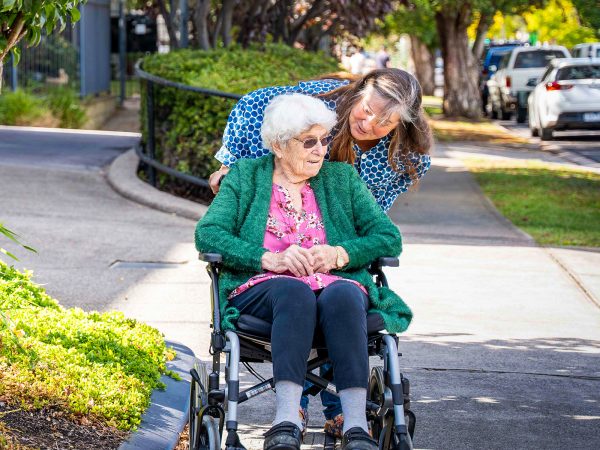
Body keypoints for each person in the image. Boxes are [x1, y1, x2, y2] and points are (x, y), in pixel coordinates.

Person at [208, 68, 432, 438]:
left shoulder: (354, 174)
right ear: (279, 145)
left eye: (386, 120)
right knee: (296, 293)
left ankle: (353, 421)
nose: (371, 122)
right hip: (272, 285)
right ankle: (288, 415)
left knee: (341, 294)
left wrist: (341, 252)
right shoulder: (251, 174)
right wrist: (266, 257)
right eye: (368, 110)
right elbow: (211, 233)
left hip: (334, 271)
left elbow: (380, 232)